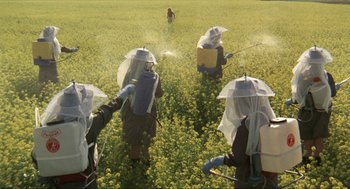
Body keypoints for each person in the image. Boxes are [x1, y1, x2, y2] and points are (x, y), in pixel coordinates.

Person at [31, 82, 135, 188]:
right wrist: (124, 93)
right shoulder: (89, 125)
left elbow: (36, 157)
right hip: (86, 183)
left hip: (57, 185)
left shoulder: (49, 128)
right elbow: (110, 108)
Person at [202, 76, 278, 189]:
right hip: (270, 177)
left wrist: (218, 160)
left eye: (236, 100)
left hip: (250, 180)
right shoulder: (267, 116)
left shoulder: (247, 125)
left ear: (243, 101)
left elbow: (239, 158)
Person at [285, 46, 338, 165]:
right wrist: (334, 88)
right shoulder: (327, 75)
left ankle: (307, 157)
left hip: (306, 111)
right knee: (319, 135)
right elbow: (332, 93)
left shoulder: (302, 75)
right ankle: (318, 158)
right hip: (323, 111)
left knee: (307, 136)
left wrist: (291, 101)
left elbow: (298, 95)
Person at [117, 48, 163, 164]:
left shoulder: (129, 74)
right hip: (149, 112)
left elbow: (123, 92)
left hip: (131, 112)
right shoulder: (154, 76)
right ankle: (146, 165)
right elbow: (159, 94)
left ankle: (134, 166)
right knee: (146, 141)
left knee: (134, 142)